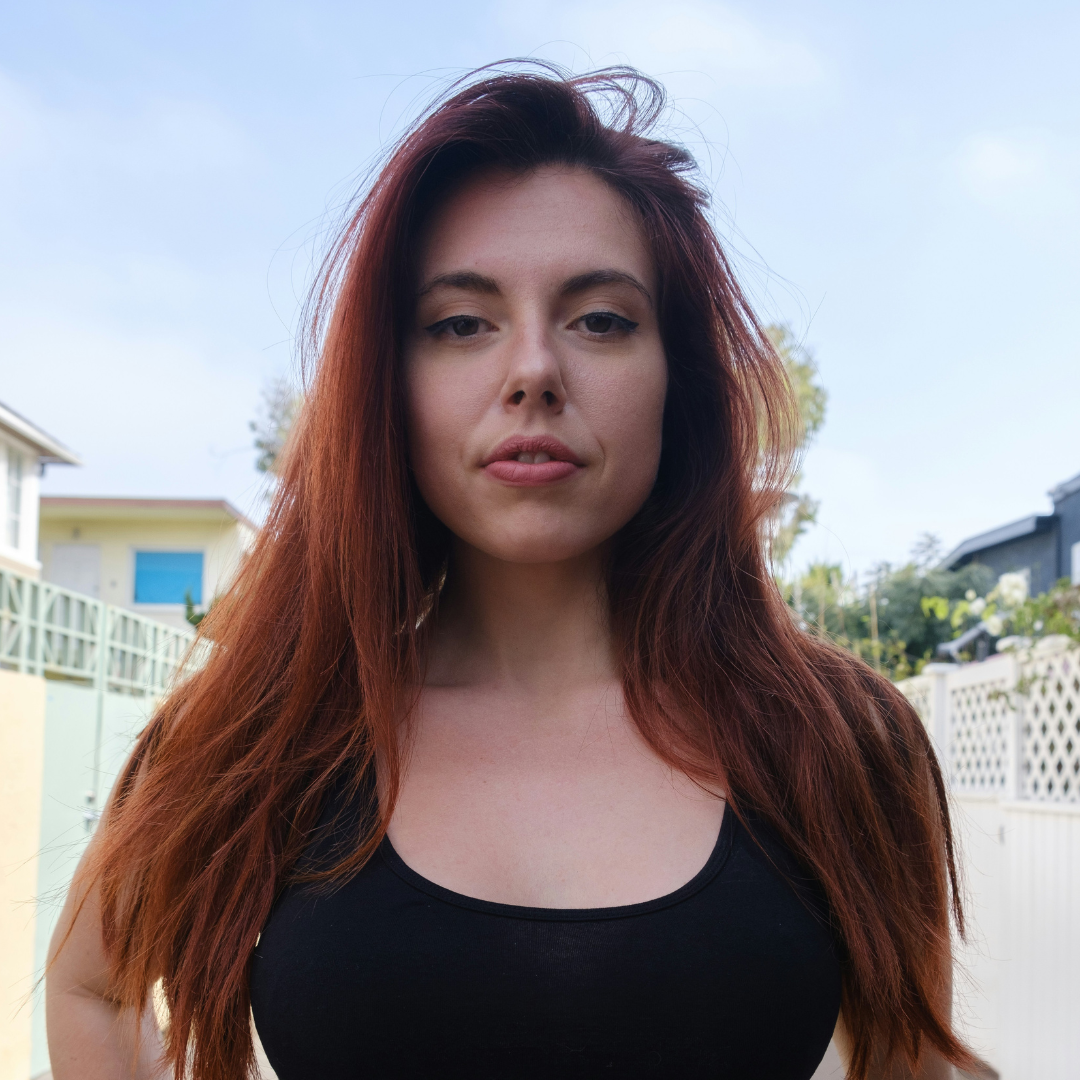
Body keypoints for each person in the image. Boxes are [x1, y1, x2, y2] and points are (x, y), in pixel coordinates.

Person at [46, 66, 976, 1080]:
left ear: (680, 379)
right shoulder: (266, 729)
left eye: (602, 319)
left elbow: (911, 1058)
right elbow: (93, 990)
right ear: (389, 383)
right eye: (460, 323)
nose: (533, 371)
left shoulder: (844, 742)